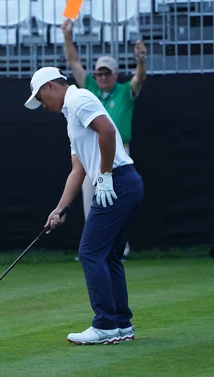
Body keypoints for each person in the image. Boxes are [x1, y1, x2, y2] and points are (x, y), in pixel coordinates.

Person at [24, 67, 144, 345]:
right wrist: (60, 208)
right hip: (125, 183)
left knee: (90, 253)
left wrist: (104, 176)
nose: (43, 106)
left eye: (41, 98)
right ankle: (121, 324)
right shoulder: (70, 114)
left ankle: (104, 325)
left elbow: (106, 132)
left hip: (118, 183)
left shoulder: (79, 99)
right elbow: (77, 169)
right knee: (109, 256)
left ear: (52, 86)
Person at [62, 18, 147, 259]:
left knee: (117, 201)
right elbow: (73, 62)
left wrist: (141, 60)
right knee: (91, 203)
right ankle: (97, 245)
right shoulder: (89, 88)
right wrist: (68, 36)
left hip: (119, 154)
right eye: (99, 72)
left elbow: (139, 79)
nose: (102, 77)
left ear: (115, 74)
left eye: (107, 73)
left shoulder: (123, 92)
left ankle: (119, 248)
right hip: (91, 156)